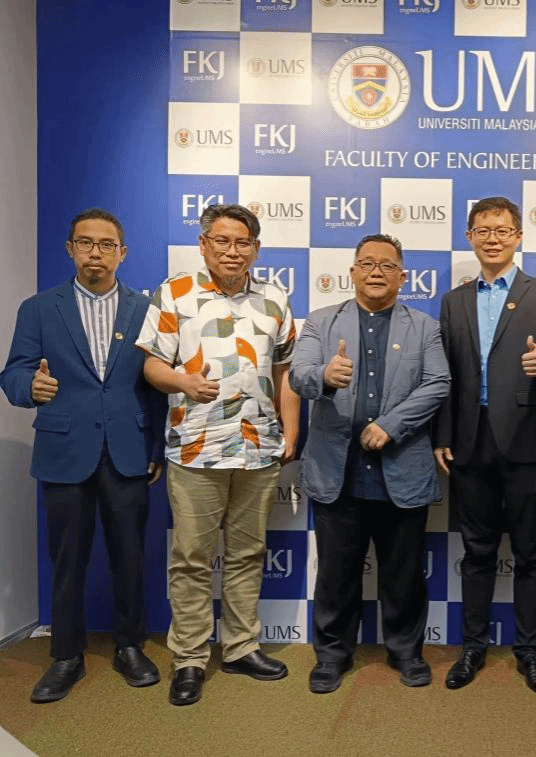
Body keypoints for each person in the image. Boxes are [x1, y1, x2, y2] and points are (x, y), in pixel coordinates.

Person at [135, 203, 299, 706]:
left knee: (248, 554)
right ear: (204, 245)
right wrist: (182, 381)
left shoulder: (275, 298)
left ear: (256, 249)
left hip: (259, 448)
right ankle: (189, 658)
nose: (233, 251)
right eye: (222, 241)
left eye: (242, 242)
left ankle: (240, 647)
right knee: (191, 559)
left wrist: (292, 432)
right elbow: (151, 366)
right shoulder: (174, 293)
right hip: (196, 448)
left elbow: (285, 371)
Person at [0, 208, 166, 703]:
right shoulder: (38, 308)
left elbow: (156, 385)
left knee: (130, 556)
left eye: (107, 244)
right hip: (64, 450)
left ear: (122, 253)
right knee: (67, 559)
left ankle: (130, 647)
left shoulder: (146, 309)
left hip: (128, 450)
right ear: (70, 249)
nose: (97, 252)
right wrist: (28, 386)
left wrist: (156, 446)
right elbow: (13, 373)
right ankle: (66, 656)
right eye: (86, 243)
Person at [288, 233, 450, 694]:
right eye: (367, 263)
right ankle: (332, 656)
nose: (376, 271)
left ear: (402, 276)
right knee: (336, 574)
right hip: (337, 472)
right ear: (352, 272)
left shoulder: (425, 327)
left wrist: (392, 425)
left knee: (404, 573)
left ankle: (406, 652)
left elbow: (438, 382)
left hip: (402, 469)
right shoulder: (321, 322)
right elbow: (298, 376)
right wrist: (324, 376)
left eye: (387, 265)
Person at [434, 196, 536, 695]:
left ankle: (529, 652)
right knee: (477, 552)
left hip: (527, 440)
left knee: (531, 553)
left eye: (502, 230)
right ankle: (473, 647)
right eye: (483, 230)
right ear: (469, 237)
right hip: (470, 442)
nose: (492, 239)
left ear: (518, 237)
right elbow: (445, 374)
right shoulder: (454, 301)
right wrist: (443, 434)